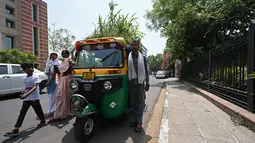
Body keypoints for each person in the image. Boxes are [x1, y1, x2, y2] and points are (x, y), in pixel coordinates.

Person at [4, 63, 46, 137]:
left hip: (34, 98)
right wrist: (24, 93)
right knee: (22, 113)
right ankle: (16, 129)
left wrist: (26, 94)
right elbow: (27, 88)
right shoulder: (26, 78)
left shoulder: (35, 76)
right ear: (25, 70)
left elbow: (35, 87)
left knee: (38, 111)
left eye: (32, 67)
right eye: (29, 68)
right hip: (27, 98)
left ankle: (43, 121)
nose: (31, 69)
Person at [128, 40, 150, 133]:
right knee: (132, 103)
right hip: (131, 84)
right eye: (132, 45)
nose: (134, 46)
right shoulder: (128, 57)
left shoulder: (143, 58)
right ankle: (134, 120)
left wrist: (147, 82)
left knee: (139, 104)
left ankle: (139, 123)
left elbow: (146, 70)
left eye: (136, 45)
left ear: (138, 46)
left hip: (140, 84)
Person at [47, 50, 75, 123]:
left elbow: (73, 67)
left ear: (68, 54)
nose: (64, 55)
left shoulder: (69, 60)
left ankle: (65, 113)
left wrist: (71, 63)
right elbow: (60, 72)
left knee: (66, 97)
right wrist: (57, 71)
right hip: (61, 80)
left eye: (65, 53)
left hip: (67, 80)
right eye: (62, 54)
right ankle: (59, 114)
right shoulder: (62, 62)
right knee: (59, 97)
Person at [44, 52, 60, 118]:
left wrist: (49, 80)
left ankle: (51, 110)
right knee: (51, 96)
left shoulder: (58, 63)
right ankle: (52, 110)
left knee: (53, 96)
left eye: (54, 55)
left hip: (55, 81)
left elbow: (55, 73)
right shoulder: (48, 62)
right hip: (49, 80)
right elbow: (46, 71)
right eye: (51, 55)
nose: (53, 56)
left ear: (56, 56)